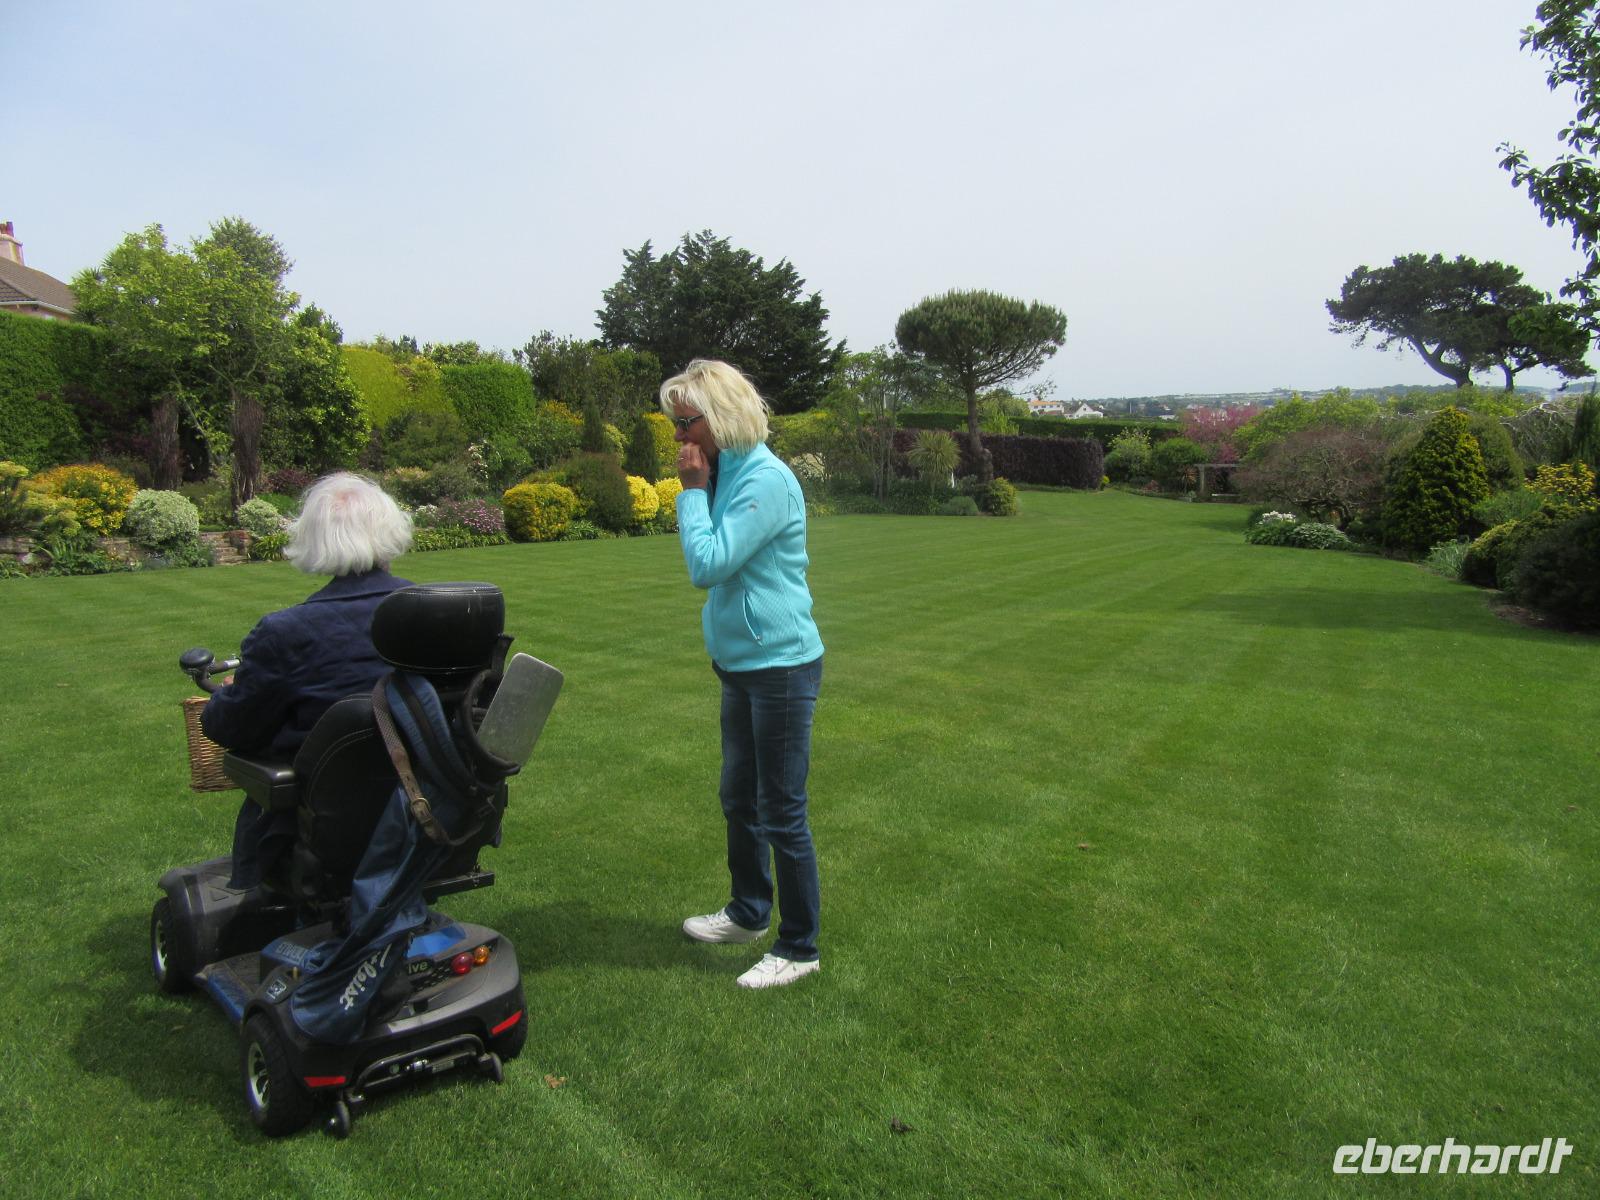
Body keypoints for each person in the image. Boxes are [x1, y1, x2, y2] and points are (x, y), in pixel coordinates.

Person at [662, 359, 825, 990]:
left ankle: (800, 946)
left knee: (782, 810)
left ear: (719, 414)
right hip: (739, 662)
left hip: (780, 665)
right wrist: (704, 486)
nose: (679, 439)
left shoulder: (764, 480)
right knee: (738, 798)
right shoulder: (728, 471)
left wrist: (690, 494)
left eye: (686, 423)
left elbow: (709, 564)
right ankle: (750, 912)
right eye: (675, 424)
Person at [201, 472, 413, 890]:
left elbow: (230, 728)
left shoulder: (286, 633)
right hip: (421, 795)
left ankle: (256, 892)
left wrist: (224, 699)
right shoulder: (433, 613)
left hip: (325, 817)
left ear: (316, 539)